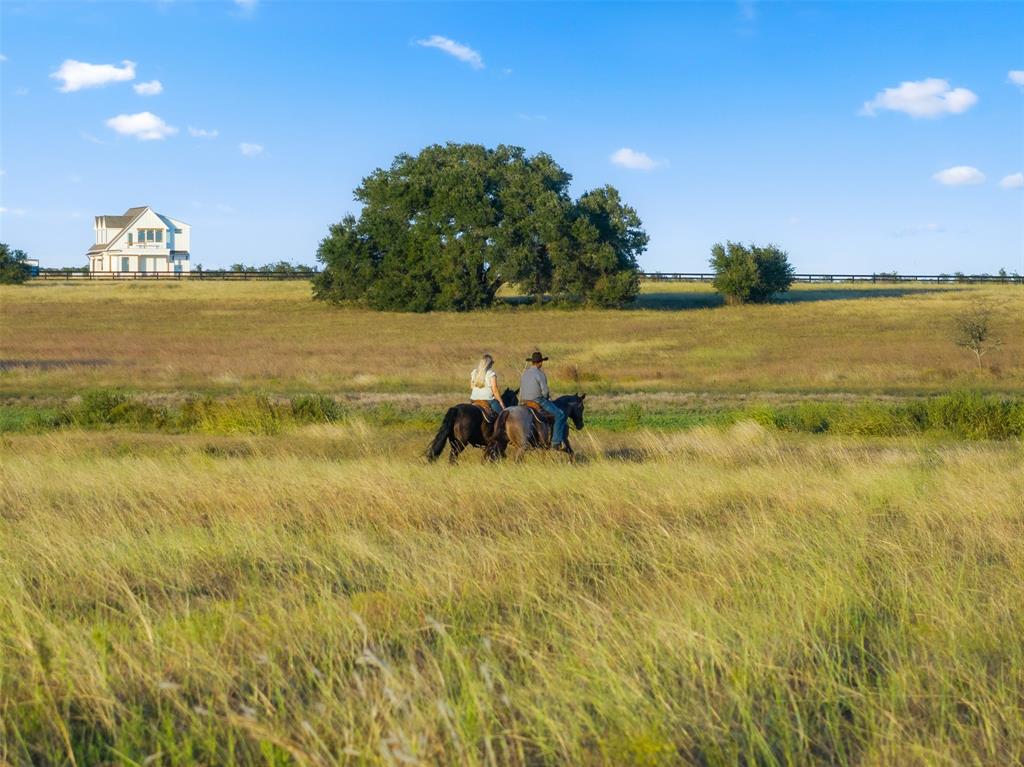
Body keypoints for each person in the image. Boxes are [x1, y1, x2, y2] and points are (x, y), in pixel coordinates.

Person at [519, 349, 568, 450]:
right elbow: (545, 392)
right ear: (540, 362)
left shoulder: (525, 373)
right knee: (560, 414)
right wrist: (546, 398)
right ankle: (555, 441)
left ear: (532, 362)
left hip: (524, 401)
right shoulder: (540, 374)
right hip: (537, 400)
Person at [470, 354, 505, 419]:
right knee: (502, 416)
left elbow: (472, 387)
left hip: (474, 400)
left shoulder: (474, 372)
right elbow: (495, 390)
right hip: (488, 400)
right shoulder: (491, 374)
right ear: (490, 364)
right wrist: (501, 402)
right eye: (492, 363)